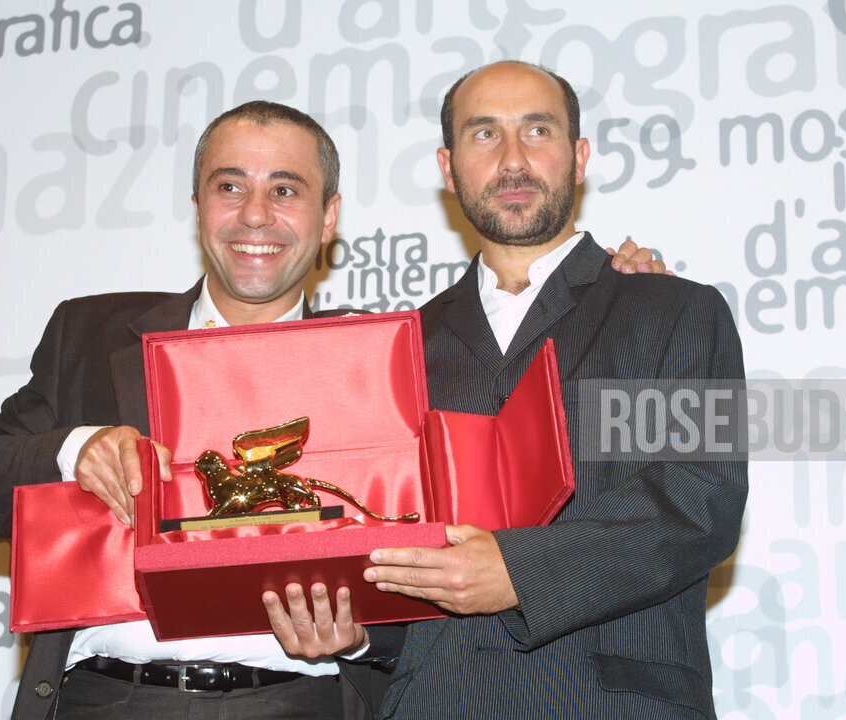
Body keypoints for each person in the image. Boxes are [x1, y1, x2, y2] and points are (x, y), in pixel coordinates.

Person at [0, 98, 663, 719]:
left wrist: (616, 296)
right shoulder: (91, 331)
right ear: (199, 204)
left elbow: (452, 539)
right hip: (106, 700)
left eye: (285, 190)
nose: (255, 215)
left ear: (328, 219)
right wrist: (75, 447)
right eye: (230, 185)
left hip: (304, 701)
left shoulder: (394, 358)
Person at [264, 61, 747, 720]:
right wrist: (359, 632)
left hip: (616, 703)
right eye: (485, 135)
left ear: (579, 158)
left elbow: (699, 501)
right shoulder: (394, 348)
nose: (513, 160)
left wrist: (519, 571)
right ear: (448, 166)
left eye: (537, 131)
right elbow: (385, 549)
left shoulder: (677, 312)